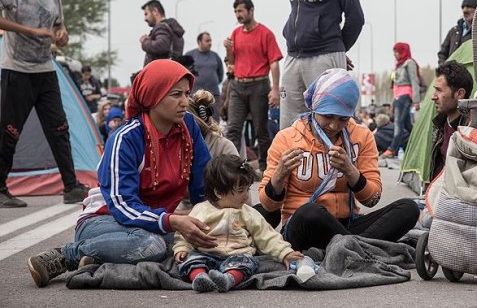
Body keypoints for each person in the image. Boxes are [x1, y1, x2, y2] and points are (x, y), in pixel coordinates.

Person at [26, 59, 215, 288]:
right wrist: (172, 221)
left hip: (152, 223)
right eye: (176, 95)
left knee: (201, 238)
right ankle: (66, 255)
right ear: (152, 97)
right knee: (154, 245)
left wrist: (215, 219)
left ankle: (99, 258)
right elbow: (123, 206)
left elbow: (204, 186)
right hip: (105, 220)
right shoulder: (125, 138)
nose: (185, 102)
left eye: (187, 94)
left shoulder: (188, 128)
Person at [259, 68, 419, 251]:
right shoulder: (287, 138)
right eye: (327, 116)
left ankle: (351, 249)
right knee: (309, 211)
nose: (334, 126)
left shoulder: (361, 136)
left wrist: (350, 172)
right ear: (314, 107)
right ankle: (364, 248)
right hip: (304, 226)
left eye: (343, 119)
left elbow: (372, 199)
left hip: (347, 225)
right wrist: (279, 176)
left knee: (408, 208)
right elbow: (267, 205)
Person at [0, 0, 88, 208]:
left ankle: (71, 186)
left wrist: (62, 35)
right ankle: (0, 188)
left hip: (45, 70)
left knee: (59, 127)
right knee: (9, 130)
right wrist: (32, 31)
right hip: (16, 69)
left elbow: (60, 26)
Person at [280, 0, 365, 129]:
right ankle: (295, 164)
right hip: (293, 57)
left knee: (330, 123)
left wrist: (336, 48)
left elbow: (356, 17)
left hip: (323, 58)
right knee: (290, 127)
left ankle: (336, 162)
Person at [174, 155, 303, 293]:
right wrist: (182, 248)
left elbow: (267, 235)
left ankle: (228, 279)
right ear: (218, 192)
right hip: (205, 253)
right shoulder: (201, 210)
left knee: (245, 263)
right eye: (241, 191)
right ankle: (200, 278)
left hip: (237, 254)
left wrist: (285, 253)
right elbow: (186, 232)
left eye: (247, 189)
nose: (247, 196)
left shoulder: (248, 213)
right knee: (192, 261)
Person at [223, 0, 282, 175]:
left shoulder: (265, 33)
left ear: (250, 11)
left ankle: (265, 167)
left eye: (240, 11)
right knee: (233, 128)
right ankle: (232, 169)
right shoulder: (235, 34)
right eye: (235, 12)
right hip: (238, 85)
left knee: (261, 129)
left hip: (259, 85)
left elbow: (274, 63)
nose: (238, 15)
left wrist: (275, 89)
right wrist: (227, 49)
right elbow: (231, 63)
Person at [430, 61, 473, 180]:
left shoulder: (470, 129)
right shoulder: (440, 123)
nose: (433, 96)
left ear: (459, 94)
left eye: (439, 90)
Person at [382, 42, 421, 158]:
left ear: (403, 51)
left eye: (397, 51)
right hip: (398, 96)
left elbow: (415, 81)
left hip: (405, 96)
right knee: (408, 125)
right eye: (394, 51)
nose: (394, 54)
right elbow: (395, 85)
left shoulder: (410, 63)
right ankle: (420, 143)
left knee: (398, 123)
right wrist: (393, 103)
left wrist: (416, 100)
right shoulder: (398, 65)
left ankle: (392, 149)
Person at [185, 32, 224, 122]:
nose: (210, 43)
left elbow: (220, 74)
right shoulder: (190, 55)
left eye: (210, 41)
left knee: (214, 120)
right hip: (195, 95)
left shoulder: (215, 56)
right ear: (199, 41)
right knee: (196, 120)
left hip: (213, 95)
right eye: (207, 41)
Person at [139, 0, 185, 66]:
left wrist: (145, 41)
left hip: (160, 72)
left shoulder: (162, 27)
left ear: (155, 11)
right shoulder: (172, 28)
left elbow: (161, 46)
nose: (145, 19)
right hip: (171, 70)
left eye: (146, 14)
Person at [437, 0, 477, 65]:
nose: (465, 10)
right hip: (452, 74)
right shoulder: (453, 31)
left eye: (469, 7)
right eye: (463, 7)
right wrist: (443, 69)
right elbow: (442, 53)